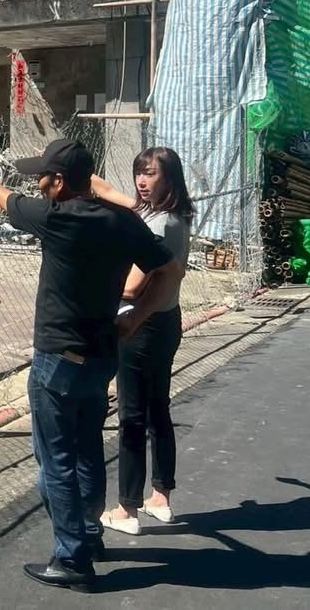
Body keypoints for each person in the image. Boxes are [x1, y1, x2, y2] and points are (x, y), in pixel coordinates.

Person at [0, 138, 184, 592]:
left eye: (42, 177)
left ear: (59, 182)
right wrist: (136, 318)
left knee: (56, 460)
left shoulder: (55, 218)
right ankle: (90, 536)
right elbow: (170, 271)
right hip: (102, 355)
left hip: (57, 360)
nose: (38, 184)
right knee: (87, 449)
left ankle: (72, 558)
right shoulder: (122, 220)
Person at [92, 147, 195, 537]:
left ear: (170, 178)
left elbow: (133, 286)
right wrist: (87, 180)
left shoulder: (158, 225)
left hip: (141, 326)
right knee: (158, 410)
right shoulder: (174, 215)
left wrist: (97, 275)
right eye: (139, 172)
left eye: (150, 173)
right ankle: (160, 497)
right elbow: (118, 197)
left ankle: (126, 509)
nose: (141, 180)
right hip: (167, 321)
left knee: (132, 417)